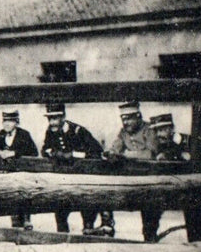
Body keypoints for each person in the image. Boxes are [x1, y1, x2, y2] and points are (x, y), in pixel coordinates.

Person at [40, 103, 113, 236]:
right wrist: (55, 153)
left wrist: (73, 155)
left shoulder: (78, 131)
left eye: (55, 118)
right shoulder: (50, 131)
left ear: (63, 117)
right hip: (64, 178)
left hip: (83, 177)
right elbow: (45, 149)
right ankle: (62, 239)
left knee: (87, 209)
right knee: (60, 210)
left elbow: (96, 152)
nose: (52, 122)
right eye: (50, 119)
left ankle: (90, 230)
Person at [104, 101, 161, 241]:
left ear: (138, 116)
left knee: (149, 215)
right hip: (132, 177)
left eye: (129, 118)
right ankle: (107, 228)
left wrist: (125, 155)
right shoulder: (124, 132)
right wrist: (111, 153)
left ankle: (150, 238)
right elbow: (116, 147)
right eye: (123, 119)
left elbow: (150, 154)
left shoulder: (149, 129)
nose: (126, 122)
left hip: (151, 177)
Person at [0, 110, 38, 228]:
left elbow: (33, 151)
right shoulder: (2, 134)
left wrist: (14, 153)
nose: (7, 124)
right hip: (8, 174)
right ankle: (15, 225)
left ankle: (26, 220)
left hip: (21, 174)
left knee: (23, 198)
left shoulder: (23, 134)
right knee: (12, 203)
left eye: (10, 121)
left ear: (16, 122)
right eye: (5, 121)